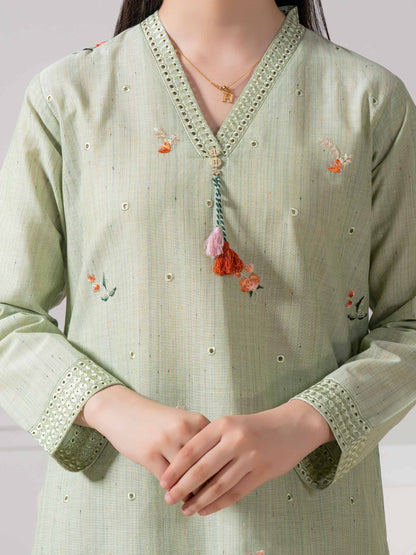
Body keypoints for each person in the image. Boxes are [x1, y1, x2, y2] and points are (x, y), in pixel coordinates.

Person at [0, 1, 415, 553]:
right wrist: (110, 407)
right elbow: (9, 315)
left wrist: (305, 422)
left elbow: (410, 323)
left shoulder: (369, 101)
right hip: (112, 525)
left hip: (310, 528)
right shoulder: (67, 97)